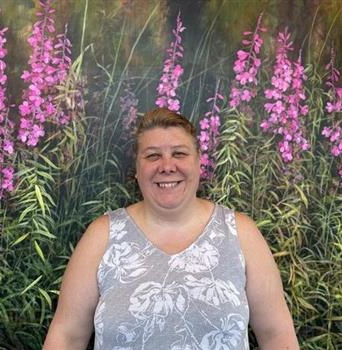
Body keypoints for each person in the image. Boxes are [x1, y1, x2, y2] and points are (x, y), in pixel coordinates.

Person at [43, 107, 300, 350]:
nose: (167, 166)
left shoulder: (240, 233)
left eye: (179, 153)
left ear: (199, 163)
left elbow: (277, 335)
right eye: (153, 155)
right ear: (137, 169)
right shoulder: (103, 234)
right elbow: (66, 337)